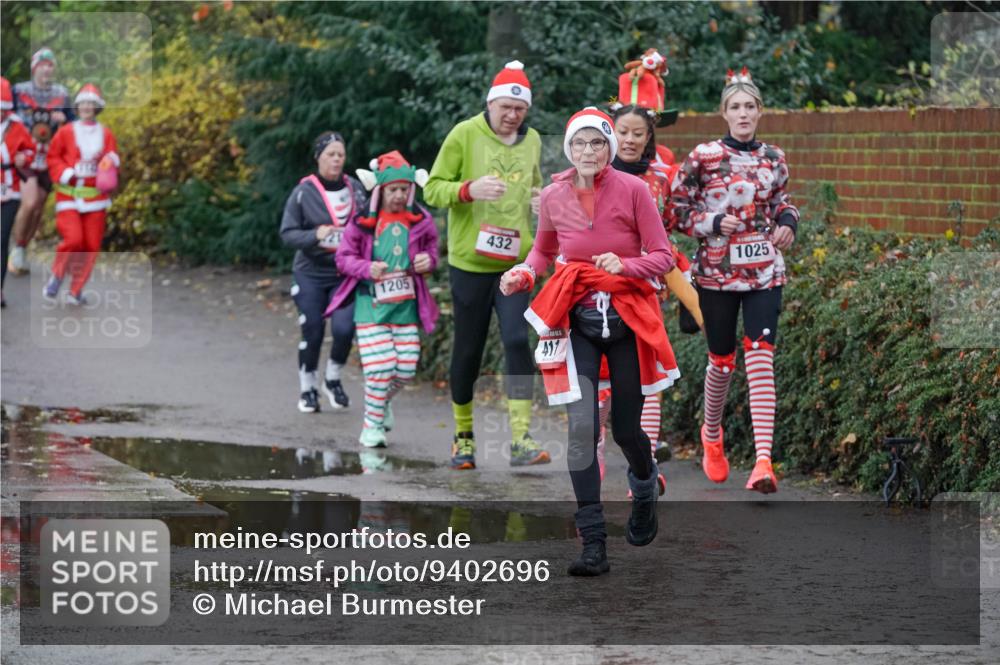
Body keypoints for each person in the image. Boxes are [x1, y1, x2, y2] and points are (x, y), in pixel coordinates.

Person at [501, 108, 679, 576]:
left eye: (597, 143)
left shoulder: (634, 190)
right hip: (576, 320)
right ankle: (594, 541)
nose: (588, 152)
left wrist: (626, 266)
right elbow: (542, 250)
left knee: (625, 430)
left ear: (610, 148)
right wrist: (523, 272)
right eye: (579, 144)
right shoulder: (557, 194)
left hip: (625, 321)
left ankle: (644, 492)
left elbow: (664, 255)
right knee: (582, 428)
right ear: (568, 148)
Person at [671, 67, 798, 494]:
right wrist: (710, 221)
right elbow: (675, 211)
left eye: (750, 106)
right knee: (722, 362)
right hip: (716, 275)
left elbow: (784, 202)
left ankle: (763, 461)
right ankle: (711, 433)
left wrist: (787, 225)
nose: (743, 113)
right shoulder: (704, 156)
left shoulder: (774, 157)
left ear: (760, 112)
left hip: (764, 270)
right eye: (735, 107)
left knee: (761, 353)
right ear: (723, 113)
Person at [424, 60, 549, 470]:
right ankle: (463, 438)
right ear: (490, 103)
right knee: (469, 350)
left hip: (514, 262)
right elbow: (432, 189)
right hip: (470, 262)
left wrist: (539, 199)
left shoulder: (531, 141)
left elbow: (533, 184)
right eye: (505, 107)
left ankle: (520, 439)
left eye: (519, 109)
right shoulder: (464, 133)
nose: (512, 115)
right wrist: (468, 189)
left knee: (516, 339)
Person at [326, 151, 440, 448]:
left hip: (406, 306)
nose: (400, 195)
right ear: (380, 190)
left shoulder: (421, 221)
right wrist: (366, 268)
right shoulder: (362, 222)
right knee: (380, 369)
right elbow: (343, 259)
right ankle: (371, 426)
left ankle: (380, 404)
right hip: (371, 306)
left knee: (404, 370)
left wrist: (428, 261)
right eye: (394, 190)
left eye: (405, 189)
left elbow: (433, 251)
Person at [279, 131, 367, 413]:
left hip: (345, 273)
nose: (337, 159)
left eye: (341, 154)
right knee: (313, 330)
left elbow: (369, 224)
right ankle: (307, 388)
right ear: (319, 157)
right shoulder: (304, 192)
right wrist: (315, 235)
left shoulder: (355, 187)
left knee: (344, 329)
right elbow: (288, 234)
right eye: (331, 154)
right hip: (311, 273)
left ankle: (333, 378)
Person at [41, 84, 118, 305]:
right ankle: (57, 275)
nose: (86, 107)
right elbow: (53, 157)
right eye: (83, 103)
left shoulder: (106, 133)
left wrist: (110, 163)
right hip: (69, 196)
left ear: (96, 108)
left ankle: (76, 290)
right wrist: (66, 173)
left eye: (90, 104)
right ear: (77, 106)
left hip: (96, 198)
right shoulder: (65, 131)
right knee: (74, 239)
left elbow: (113, 159)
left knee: (91, 245)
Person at [9, 48, 73, 275]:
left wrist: (64, 119)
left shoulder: (62, 94)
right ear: (34, 67)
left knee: (38, 208)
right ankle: (16, 248)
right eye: (43, 64)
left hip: (49, 158)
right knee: (29, 201)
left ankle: (22, 248)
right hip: (25, 155)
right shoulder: (19, 91)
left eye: (50, 65)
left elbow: (74, 125)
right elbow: (6, 116)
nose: (47, 68)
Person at [1, 76, 36, 307]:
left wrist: (26, 157)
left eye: (2, 109)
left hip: (10, 189)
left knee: (1, 238)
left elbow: (30, 151)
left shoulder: (17, 126)